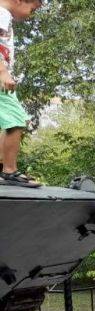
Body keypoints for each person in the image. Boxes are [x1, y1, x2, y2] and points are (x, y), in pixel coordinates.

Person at [0, 0, 42, 187]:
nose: (30, 14)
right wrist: (2, 72)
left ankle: (3, 169)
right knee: (16, 119)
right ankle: (9, 171)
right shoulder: (2, 13)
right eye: (32, 9)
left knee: (7, 122)